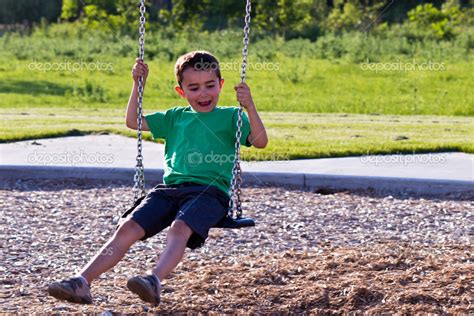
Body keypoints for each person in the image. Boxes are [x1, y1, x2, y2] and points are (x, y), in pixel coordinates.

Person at [47, 50, 268, 305]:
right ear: (181, 92)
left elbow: (260, 141)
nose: (203, 93)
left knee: (179, 228)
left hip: (209, 192)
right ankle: (81, 282)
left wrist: (249, 105)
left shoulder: (231, 116)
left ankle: (154, 280)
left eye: (209, 85)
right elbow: (133, 121)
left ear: (221, 85)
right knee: (127, 228)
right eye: (194, 88)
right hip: (169, 190)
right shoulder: (175, 117)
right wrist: (137, 85)